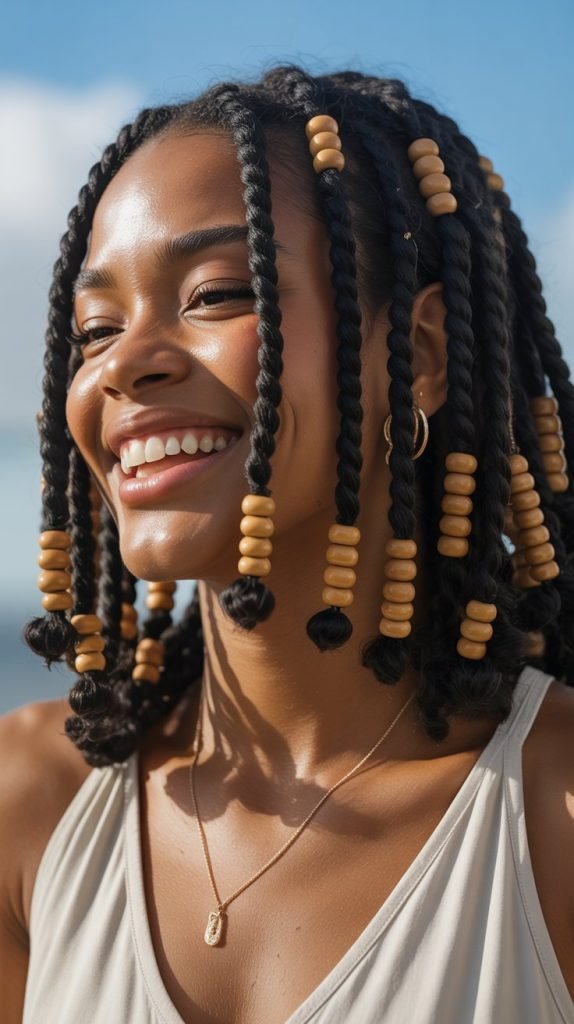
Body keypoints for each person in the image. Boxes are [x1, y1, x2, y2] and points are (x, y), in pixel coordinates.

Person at [1, 64, 573, 1023]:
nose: (126, 365)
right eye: (95, 329)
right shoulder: (33, 803)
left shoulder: (551, 814)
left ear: (422, 356)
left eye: (218, 293)